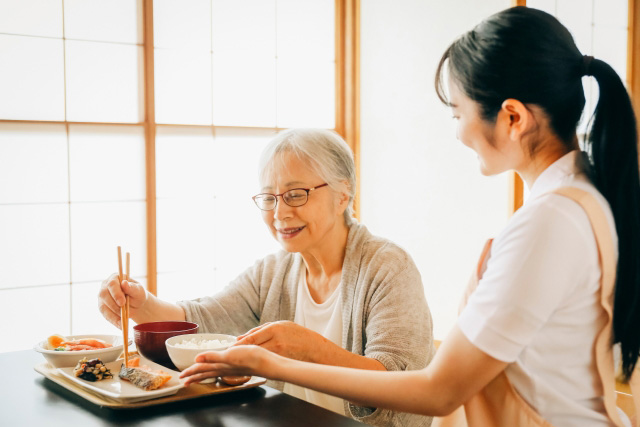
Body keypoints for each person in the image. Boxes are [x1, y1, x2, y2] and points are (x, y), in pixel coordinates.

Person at [178, 7, 640, 426]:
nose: (458, 133)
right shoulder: (579, 197)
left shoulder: (548, 221)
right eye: (270, 197)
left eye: (458, 112)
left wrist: (270, 364)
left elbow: (438, 390)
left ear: (513, 117)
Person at [99, 128, 435, 426]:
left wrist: (308, 349)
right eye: (269, 197)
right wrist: (141, 303)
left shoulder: (387, 267)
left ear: (342, 194)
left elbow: (397, 386)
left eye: (295, 194)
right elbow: (204, 320)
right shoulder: (274, 271)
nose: (280, 213)